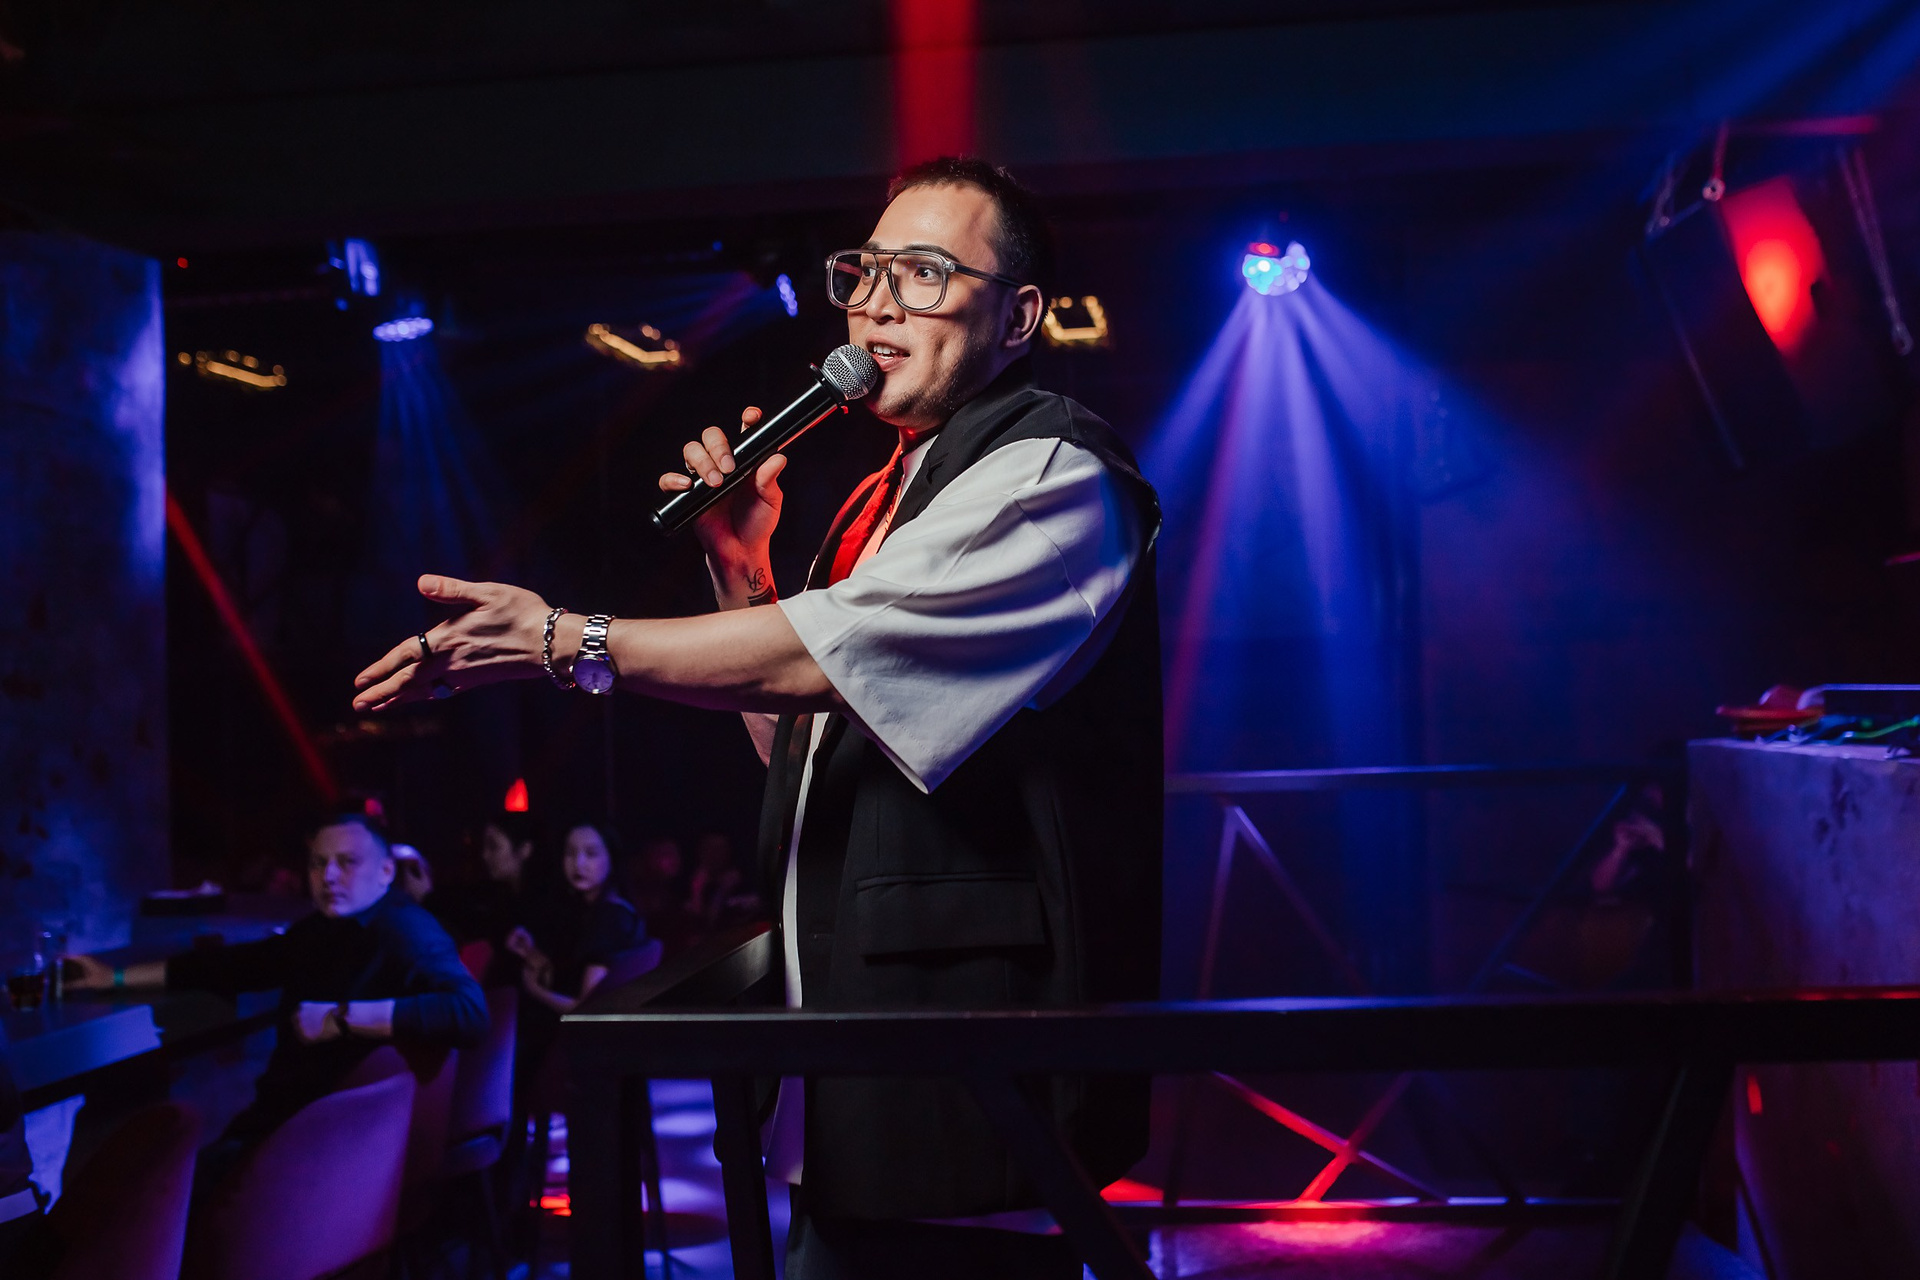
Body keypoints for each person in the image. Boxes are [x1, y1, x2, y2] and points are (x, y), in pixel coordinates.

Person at [351, 156, 1162, 1279]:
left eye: (926, 273)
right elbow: (806, 746)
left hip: (972, 1090)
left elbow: (810, 659)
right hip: (855, 1077)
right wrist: (740, 574)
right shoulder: (887, 493)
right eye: (865, 272)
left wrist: (567, 639)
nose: (877, 303)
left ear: (1019, 316)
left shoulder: (1053, 471)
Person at [67, 814, 489, 1188]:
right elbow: (233, 965)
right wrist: (115, 977)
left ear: (385, 871)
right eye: (318, 863)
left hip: (306, 1154)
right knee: (155, 1182)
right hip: (303, 1139)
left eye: (347, 862)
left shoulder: (404, 928)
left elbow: (470, 1012)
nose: (328, 876)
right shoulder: (322, 930)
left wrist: (340, 1018)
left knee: (145, 1190)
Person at [508, 821, 649, 1018]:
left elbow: (589, 1009)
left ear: (612, 858)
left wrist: (535, 990)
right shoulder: (601, 909)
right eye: (570, 853)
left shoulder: (609, 917)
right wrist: (532, 953)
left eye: (591, 854)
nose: (578, 863)